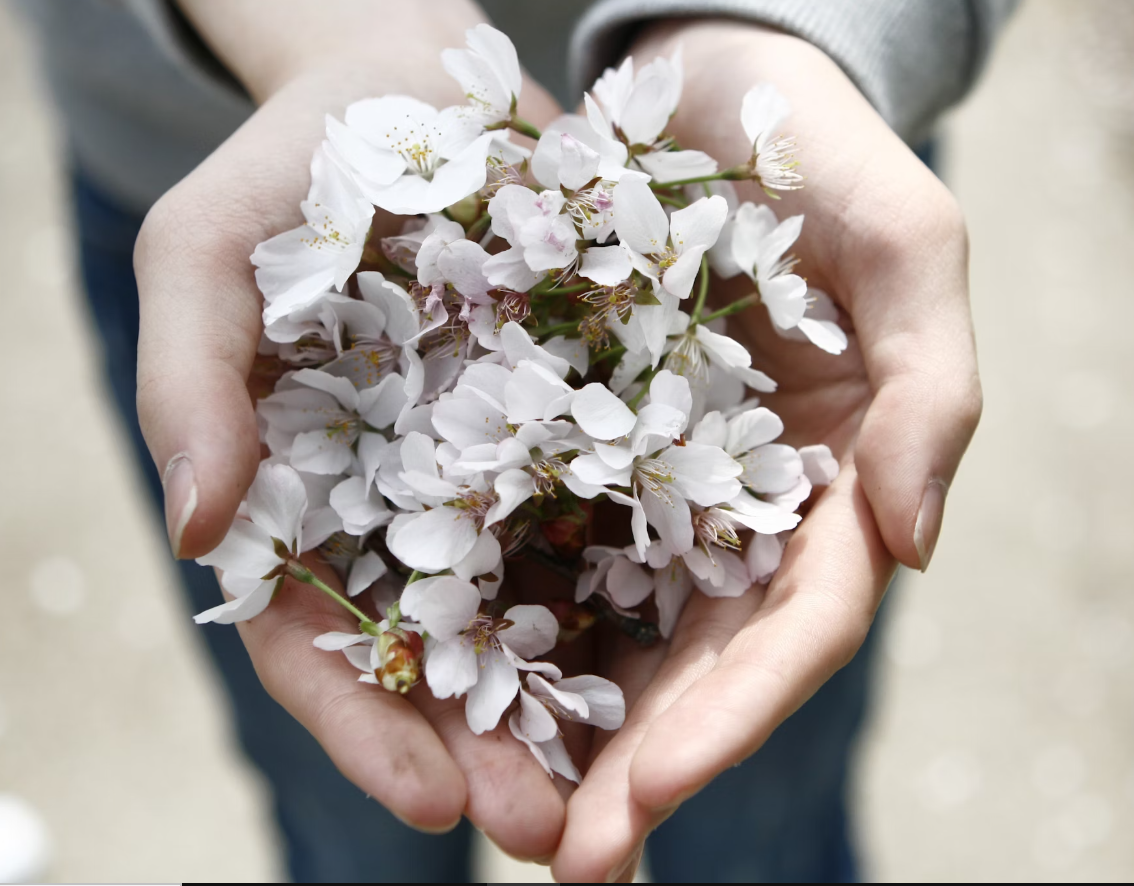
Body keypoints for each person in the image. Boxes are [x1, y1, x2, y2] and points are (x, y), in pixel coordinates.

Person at [18, 1, 1009, 880]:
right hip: (192, 138)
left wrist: (798, 28)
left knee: (761, 824)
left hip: (789, 95)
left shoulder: (678, 280)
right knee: (355, 830)